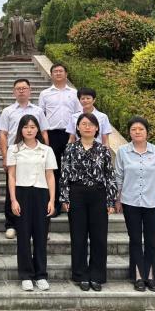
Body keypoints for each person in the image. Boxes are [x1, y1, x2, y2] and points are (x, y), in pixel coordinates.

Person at [59, 112, 117, 292]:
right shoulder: (70, 149)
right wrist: (64, 197)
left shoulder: (103, 150)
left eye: (91, 124)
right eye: (83, 124)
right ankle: (81, 275)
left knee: (99, 237)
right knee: (78, 236)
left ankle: (97, 275)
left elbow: (110, 176)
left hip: (98, 194)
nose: (87, 127)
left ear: (97, 128)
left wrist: (111, 200)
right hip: (76, 194)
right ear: (77, 127)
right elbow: (64, 174)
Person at [115, 116, 155, 293]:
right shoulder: (123, 152)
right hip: (130, 202)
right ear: (129, 132)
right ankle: (139, 276)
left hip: (153, 203)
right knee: (135, 240)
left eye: (141, 129)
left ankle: (151, 276)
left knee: (151, 241)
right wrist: (117, 199)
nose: (137, 132)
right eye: (133, 129)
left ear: (147, 132)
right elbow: (118, 177)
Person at [7, 115, 56, 292]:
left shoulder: (46, 150)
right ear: (21, 129)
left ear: (38, 129)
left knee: (41, 236)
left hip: (42, 194)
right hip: (22, 193)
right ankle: (26, 275)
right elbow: (11, 175)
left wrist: (52, 200)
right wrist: (13, 200)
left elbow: (50, 176)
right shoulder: (14, 149)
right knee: (23, 236)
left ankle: (41, 275)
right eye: (26, 127)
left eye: (33, 127)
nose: (29, 130)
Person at [0, 78, 50, 239]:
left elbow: (44, 132)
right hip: (15, 154)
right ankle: (11, 224)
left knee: (36, 190)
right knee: (12, 190)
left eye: (24, 88)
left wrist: (46, 154)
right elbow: (3, 134)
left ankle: (37, 227)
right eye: (18, 88)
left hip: (35, 154)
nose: (21, 91)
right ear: (13, 91)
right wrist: (5, 156)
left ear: (30, 90)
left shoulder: (38, 111)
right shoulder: (7, 111)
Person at [38, 63, 81, 216]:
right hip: (52, 135)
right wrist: (44, 138)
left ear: (66, 74)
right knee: (54, 169)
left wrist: (75, 136)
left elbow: (78, 115)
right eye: (55, 71)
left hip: (71, 135)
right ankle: (55, 203)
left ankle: (70, 204)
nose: (58, 73)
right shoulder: (45, 94)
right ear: (51, 75)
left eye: (61, 71)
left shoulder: (74, 93)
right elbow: (41, 115)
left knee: (72, 169)